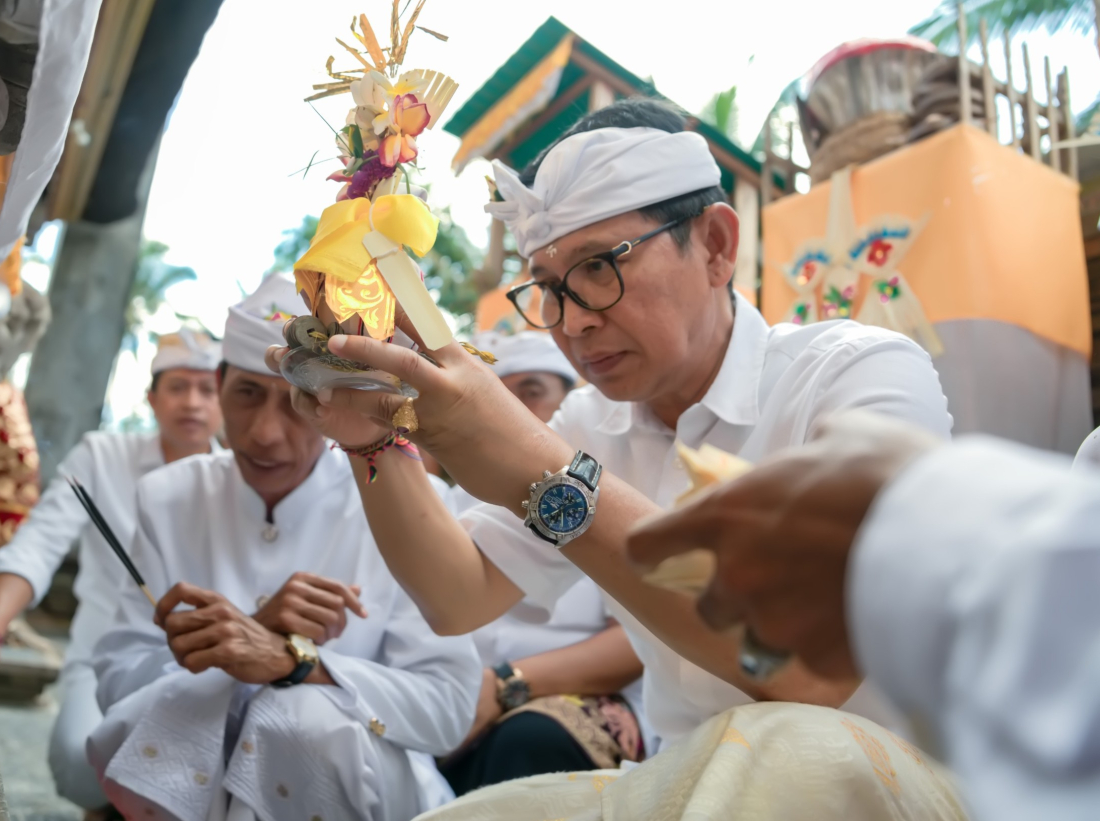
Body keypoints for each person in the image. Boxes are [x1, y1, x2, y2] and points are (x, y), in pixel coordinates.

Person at [269, 98, 953, 749]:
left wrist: (543, 469)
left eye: (599, 267)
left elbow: (815, 665)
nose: (573, 321)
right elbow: (459, 594)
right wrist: (374, 440)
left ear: (716, 245)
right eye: (549, 287)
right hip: (694, 780)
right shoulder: (590, 422)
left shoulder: (858, 376)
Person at [86, 274, 481, 821]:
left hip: (363, 785)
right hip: (200, 780)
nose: (265, 434)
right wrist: (245, 634)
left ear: (334, 405)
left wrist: (297, 664)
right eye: (246, 394)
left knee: (299, 719)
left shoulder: (415, 507)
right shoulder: (170, 496)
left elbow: (446, 712)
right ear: (219, 384)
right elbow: (116, 684)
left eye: (299, 401)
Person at [626, 409, 1100, 821]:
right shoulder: (588, 418)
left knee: (787, 746)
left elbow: (805, 686)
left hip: (892, 758)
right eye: (554, 303)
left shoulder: (849, 360)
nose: (579, 322)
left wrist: (914, 517)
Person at [0, 329, 223, 813]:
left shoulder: (242, 479)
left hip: (205, 669)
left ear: (225, 399)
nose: (192, 402)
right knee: (80, 759)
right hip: (101, 658)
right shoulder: (102, 456)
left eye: (207, 388)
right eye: (177, 387)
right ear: (151, 398)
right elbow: (39, 543)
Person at [440, 330, 647, 795]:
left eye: (531, 392)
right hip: (462, 700)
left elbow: (636, 641)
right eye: (500, 396)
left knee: (528, 739)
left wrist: (505, 687)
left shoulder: (603, 494)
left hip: (569, 698)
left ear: (569, 404)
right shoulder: (448, 504)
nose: (511, 412)